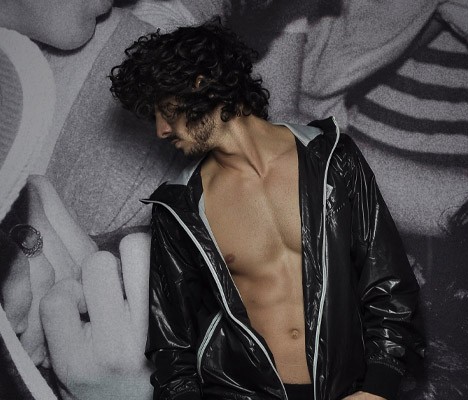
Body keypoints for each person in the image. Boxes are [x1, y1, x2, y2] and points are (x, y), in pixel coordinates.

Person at [109, 20, 425, 400]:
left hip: (346, 390)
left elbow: (389, 283)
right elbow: (172, 348)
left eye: (166, 110)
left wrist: (378, 388)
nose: (161, 129)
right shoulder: (180, 208)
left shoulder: (333, 160)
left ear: (200, 84)